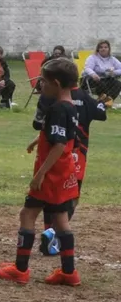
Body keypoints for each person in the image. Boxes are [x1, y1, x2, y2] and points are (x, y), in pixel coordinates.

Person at [0, 58, 82, 286]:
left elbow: (59, 145)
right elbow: (65, 137)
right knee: (61, 219)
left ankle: (20, 270)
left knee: (27, 214)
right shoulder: (71, 106)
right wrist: (37, 140)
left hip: (51, 175)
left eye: (42, 81)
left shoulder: (56, 109)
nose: (39, 84)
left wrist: (40, 174)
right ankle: (69, 272)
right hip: (64, 174)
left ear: (55, 82)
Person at [33, 79, 106, 256]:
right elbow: (101, 114)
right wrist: (102, 102)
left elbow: (38, 124)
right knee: (70, 196)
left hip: (53, 154)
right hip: (77, 153)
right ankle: (54, 235)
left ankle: (48, 230)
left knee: (49, 193)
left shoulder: (51, 98)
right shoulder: (83, 97)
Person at [82, 39, 121, 105]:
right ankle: (106, 101)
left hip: (105, 79)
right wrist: (93, 74)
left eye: (105, 47)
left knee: (118, 83)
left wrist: (114, 72)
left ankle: (106, 101)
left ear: (109, 49)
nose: (103, 49)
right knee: (101, 82)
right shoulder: (92, 57)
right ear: (98, 49)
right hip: (92, 80)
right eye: (101, 47)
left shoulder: (112, 59)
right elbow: (87, 68)